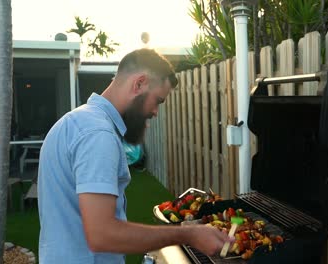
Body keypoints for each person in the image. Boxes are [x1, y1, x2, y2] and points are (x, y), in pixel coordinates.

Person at [37, 49, 231, 264]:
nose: (156, 112)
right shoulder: (98, 134)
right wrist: (188, 234)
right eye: (158, 100)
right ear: (139, 84)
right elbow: (103, 235)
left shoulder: (78, 121)